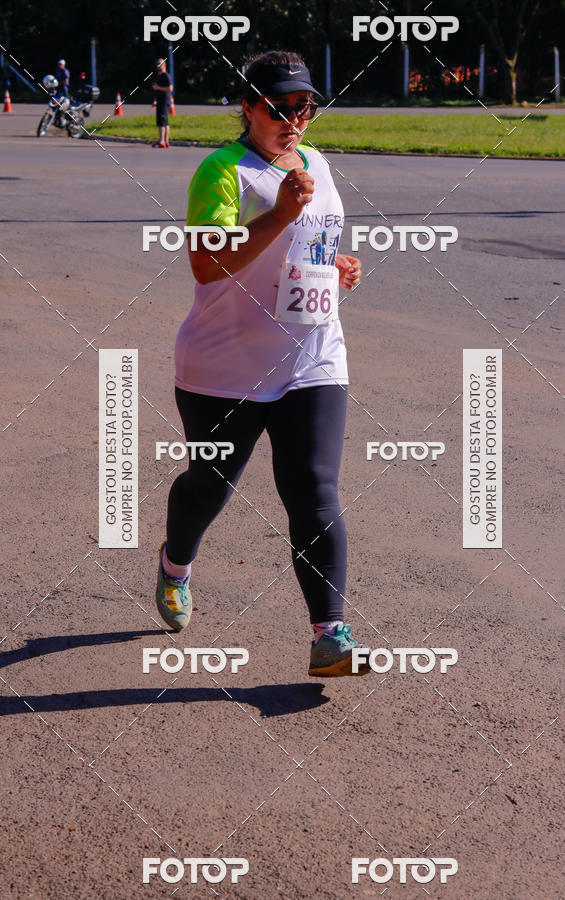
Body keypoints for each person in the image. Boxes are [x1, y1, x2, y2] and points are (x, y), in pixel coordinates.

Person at [155, 50, 370, 678]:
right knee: (210, 485)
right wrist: (279, 213)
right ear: (248, 107)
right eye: (279, 109)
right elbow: (205, 263)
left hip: (313, 357)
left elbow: (314, 247)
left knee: (314, 488)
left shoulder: (317, 165)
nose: (294, 120)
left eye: (305, 108)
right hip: (226, 366)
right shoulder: (223, 171)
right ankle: (175, 565)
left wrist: (337, 266)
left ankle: (330, 635)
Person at [152, 58, 172, 148]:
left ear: (164, 65)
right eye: (157, 64)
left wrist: (158, 87)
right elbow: (158, 90)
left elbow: (170, 88)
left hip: (164, 101)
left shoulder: (166, 75)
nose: (158, 65)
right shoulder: (159, 76)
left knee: (162, 122)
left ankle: (162, 141)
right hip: (160, 101)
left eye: (160, 64)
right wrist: (155, 101)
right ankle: (165, 141)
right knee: (164, 121)